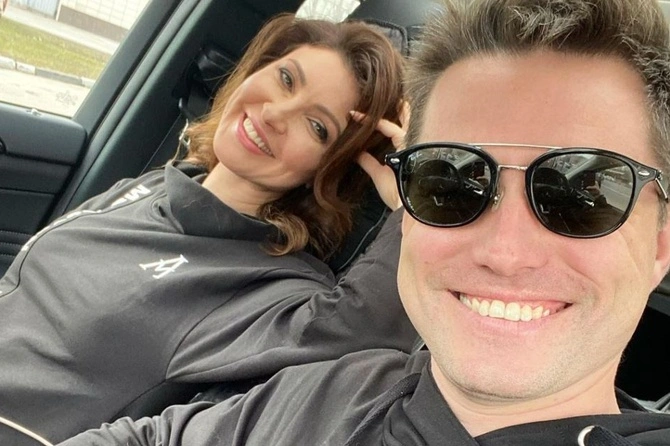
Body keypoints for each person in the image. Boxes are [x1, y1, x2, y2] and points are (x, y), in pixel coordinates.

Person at [58, 0, 670, 444]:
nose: (505, 251)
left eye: (583, 194)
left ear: (661, 245)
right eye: (449, 183)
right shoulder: (327, 391)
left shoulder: (281, 301)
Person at [0, 13, 418, 446]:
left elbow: (361, 335)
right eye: (286, 79)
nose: (274, 113)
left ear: (331, 170)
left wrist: (414, 199)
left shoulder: (264, 286)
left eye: (317, 127)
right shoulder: (153, 187)